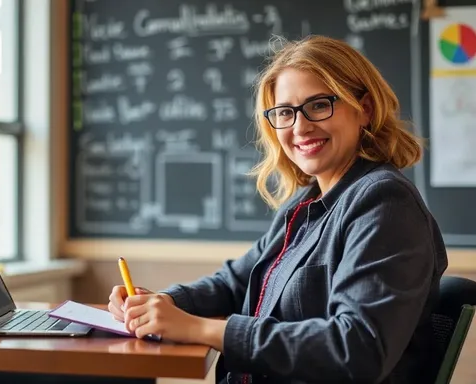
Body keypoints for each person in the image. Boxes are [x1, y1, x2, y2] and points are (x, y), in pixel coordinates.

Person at [108, 35, 448, 384]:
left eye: (318, 105)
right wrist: (163, 303)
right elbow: (235, 282)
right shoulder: (305, 202)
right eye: (285, 112)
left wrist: (199, 329)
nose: (300, 127)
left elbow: (356, 349)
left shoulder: (384, 203)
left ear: (365, 109)